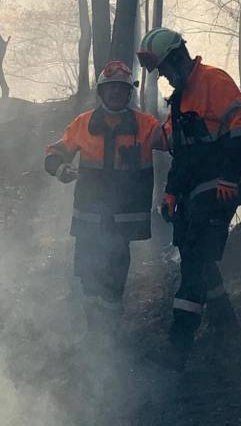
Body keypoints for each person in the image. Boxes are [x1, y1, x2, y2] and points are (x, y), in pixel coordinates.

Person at [137, 27, 241, 370]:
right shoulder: (180, 101)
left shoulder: (213, 81)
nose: (162, 75)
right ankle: (227, 330)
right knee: (196, 253)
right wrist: (172, 192)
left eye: (163, 67)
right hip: (196, 189)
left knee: (194, 259)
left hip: (219, 186)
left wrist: (228, 176)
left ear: (177, 58)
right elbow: (183, 155)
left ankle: (178, 346)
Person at [44, 60, 167, 336]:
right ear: (101, 91)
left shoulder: (145, 125)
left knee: (114, 282)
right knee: (88, 278)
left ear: (128, 93)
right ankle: (93, 333)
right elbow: (54, 153)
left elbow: (172, 141)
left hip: (123, 223)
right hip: (89, 218)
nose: (115, 93)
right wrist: (60, 168)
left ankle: (109, 335)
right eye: (110, 88)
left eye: (121, 89)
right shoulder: (83, 123)